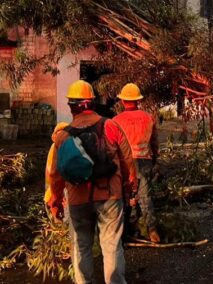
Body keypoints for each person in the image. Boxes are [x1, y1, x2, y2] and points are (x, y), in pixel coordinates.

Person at [46, 80, 137, 284]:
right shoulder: (110, 126)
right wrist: (130, 189)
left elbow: (55, 174)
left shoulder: (63, 136)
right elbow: (127, 161)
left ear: (71, 107)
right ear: (92, 103)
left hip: (78, 199)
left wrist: (55, 202)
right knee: (111, 246)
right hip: (110, 197)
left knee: (81, 247)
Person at [113, 83, 161, 243]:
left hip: (125, 163)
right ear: (138, 101)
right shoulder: (148, 118)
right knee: (145, 196)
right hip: (144, 160)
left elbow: (112, 146)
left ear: (122, 101)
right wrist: (154, 159)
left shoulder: (116, 120)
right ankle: (152, 230)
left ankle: (124, 231)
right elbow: (154, 142)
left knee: (125, 196)